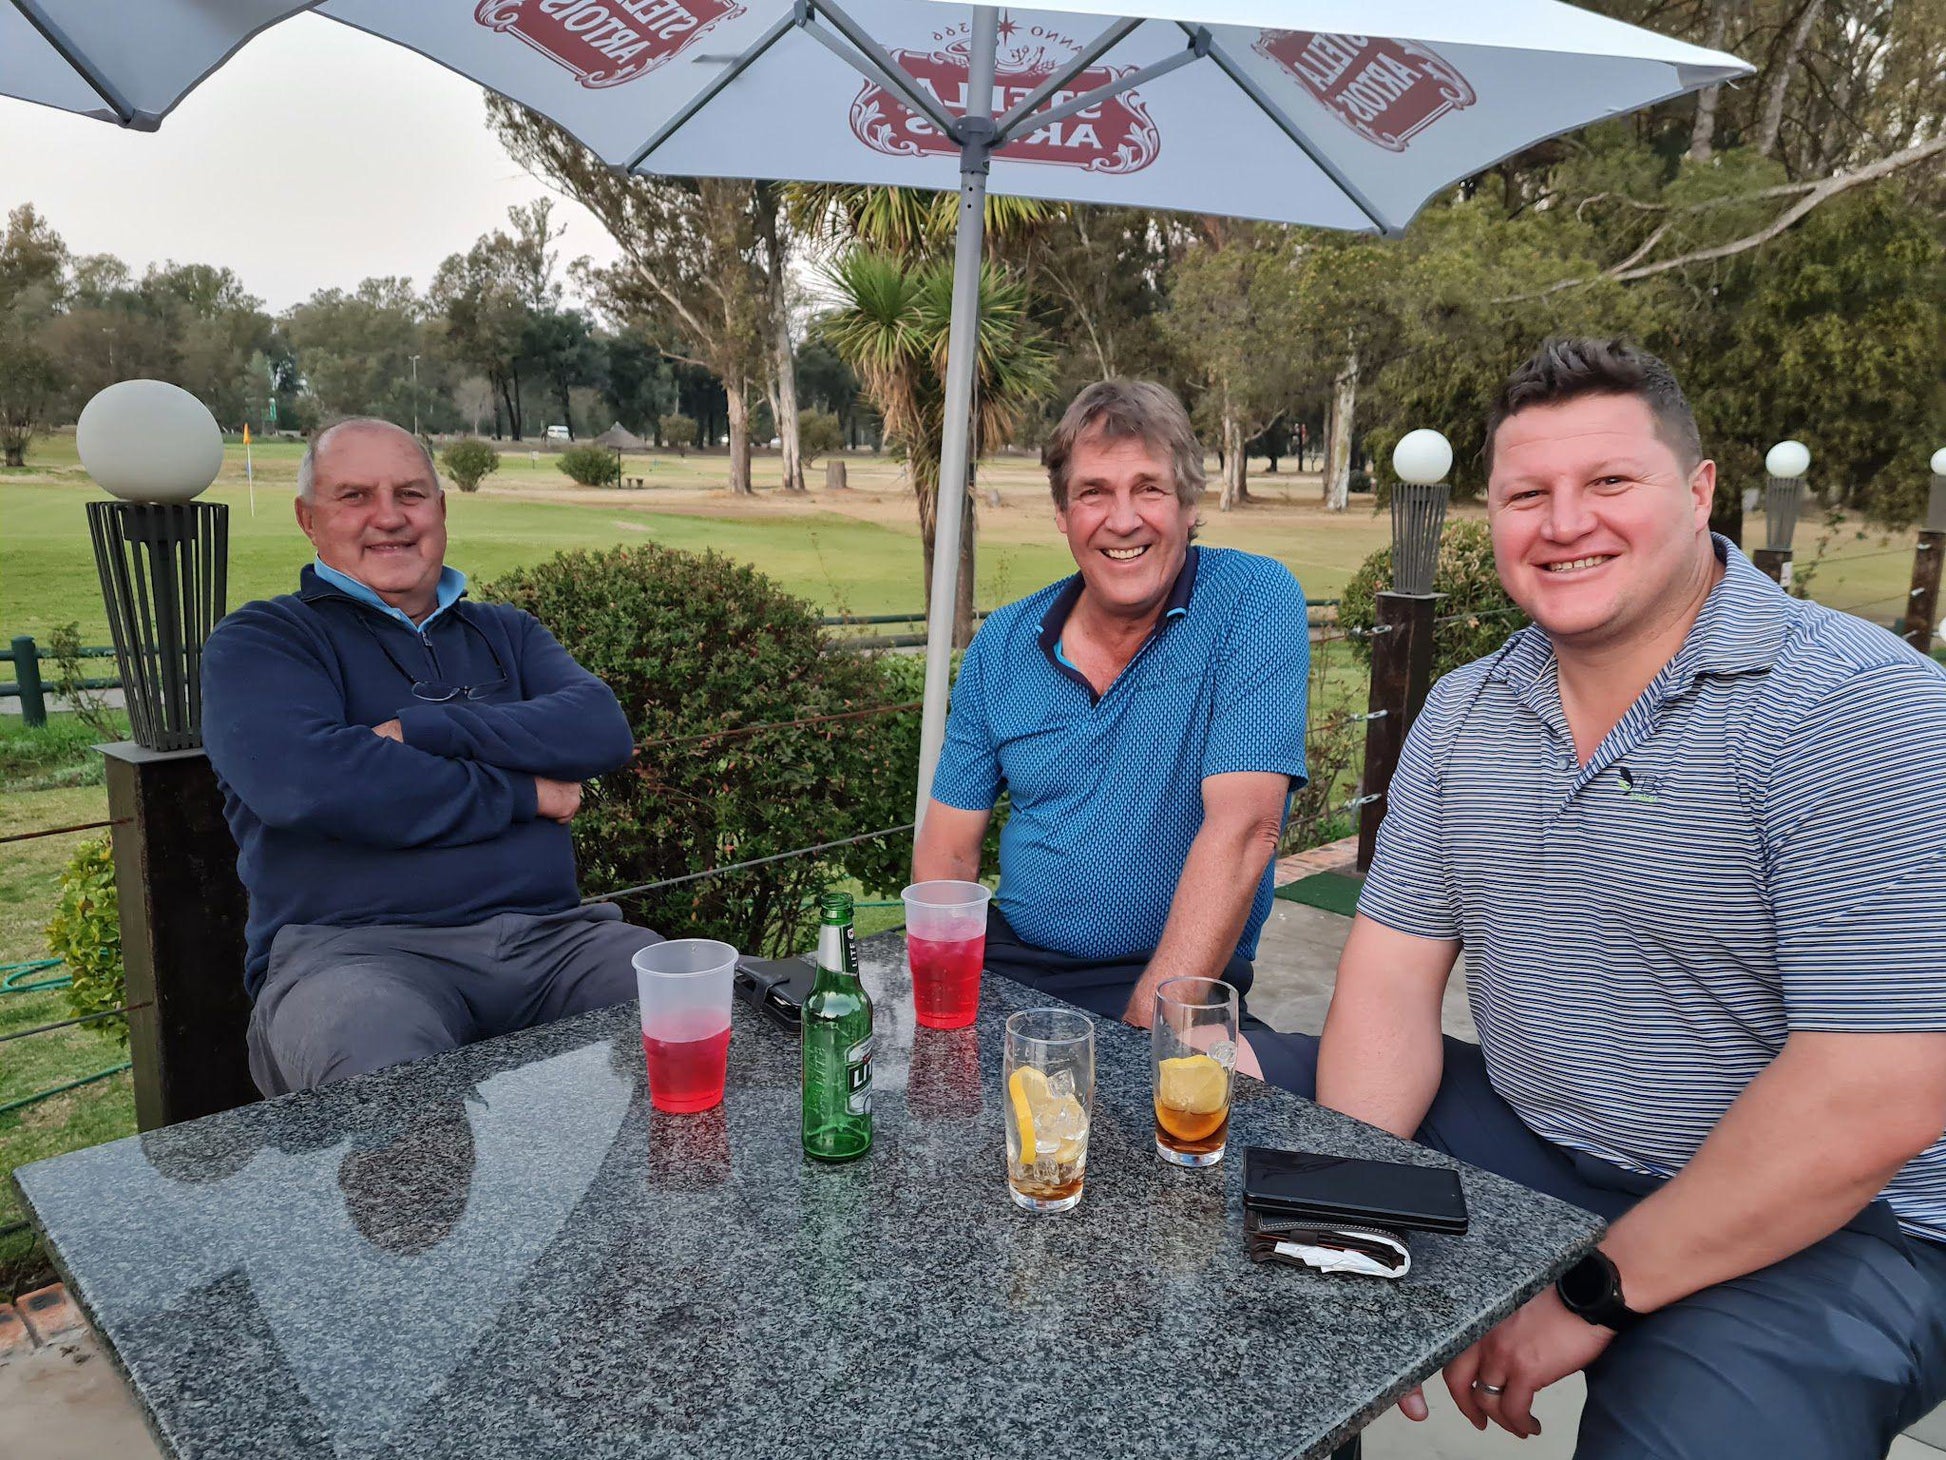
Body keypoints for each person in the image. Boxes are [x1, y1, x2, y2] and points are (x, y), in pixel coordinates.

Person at [1271, 339, 1946, 1457]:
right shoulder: (1463, 710)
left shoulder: (1855, 711)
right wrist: (1358, 1217)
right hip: (1544, 1136)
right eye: (1525, 493)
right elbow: (1387, 981)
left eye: (1607, 483)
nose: (1562, 521)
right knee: (1232, 1131)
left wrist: (1588, 1292)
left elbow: (1873, 1096)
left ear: (1696, 492)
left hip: (1837, 1214)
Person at [202, 418, 660, 1096]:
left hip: (555, 943)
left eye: (411, 493)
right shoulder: (265, 641)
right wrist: (526, 793)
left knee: (706, 1013)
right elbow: (310, 784)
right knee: (388, 1076)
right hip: (355, 956)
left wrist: (421, 731)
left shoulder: (507, 632)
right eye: (355, 496)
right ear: (308, 518)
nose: (389, 517)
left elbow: (599, 729)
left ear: (441, 509)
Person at [912, 380, 1311, 1065]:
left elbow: (1246, 830)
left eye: (1148, 489)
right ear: (1064, 516)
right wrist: (941, 1014)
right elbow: (948, 855)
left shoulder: (1253, 600)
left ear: (1189, 506)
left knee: (1236, 1123)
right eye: (1094, 492)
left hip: (1179, 986)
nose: (1122, 520)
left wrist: (1139, 1036)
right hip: (1012, 974)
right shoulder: (1004, 643)